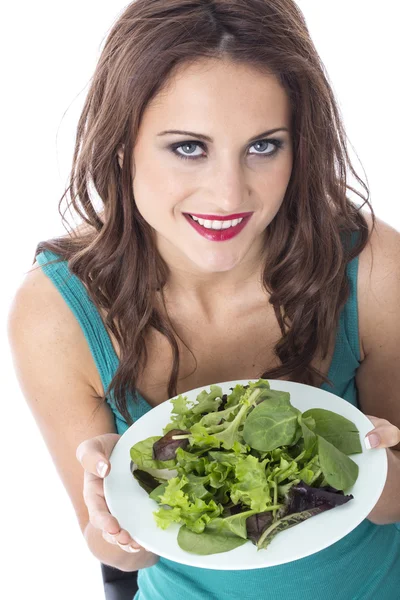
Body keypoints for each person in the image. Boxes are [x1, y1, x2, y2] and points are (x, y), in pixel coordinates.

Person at [7, 1, 400, 599]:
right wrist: (111, 500)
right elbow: (115, 553)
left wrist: (370, 461)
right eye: (189, 147)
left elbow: (392, 505)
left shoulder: (369, 265)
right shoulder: (57, 311)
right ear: (122, 146)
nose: (228, 193)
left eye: (264, 146)